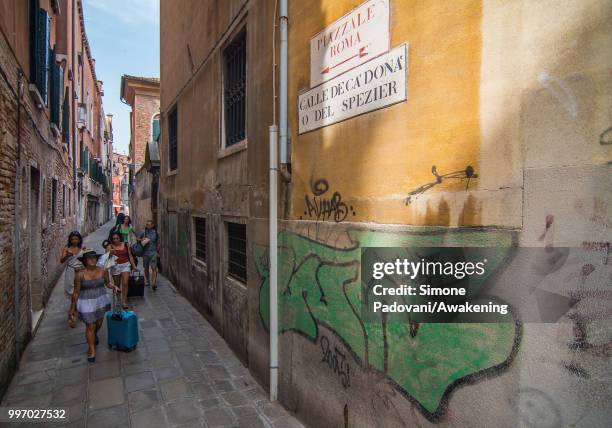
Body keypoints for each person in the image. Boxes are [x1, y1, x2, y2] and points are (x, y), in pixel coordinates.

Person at [68, 250, 119, 362]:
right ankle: (92, 349)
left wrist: (114, 287)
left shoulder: (103, 271)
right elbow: (76, 292)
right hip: (86, 302)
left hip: (100, 300)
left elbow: (107, 283)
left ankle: (94, 335)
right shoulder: (80, 274)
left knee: (99, 323)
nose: (92, 260)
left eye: (94, 258)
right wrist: (72, 308)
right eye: (89, 258)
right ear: (85, 261)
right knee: (90, 326)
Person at [108, 231, 137, 309]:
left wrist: (133, 266)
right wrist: (110, 253)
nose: (115, 240)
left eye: (117, 238)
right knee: (117, 285)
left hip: (125, 265)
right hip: (115, 266)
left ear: (120, 238)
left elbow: (130, 256)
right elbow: (106, 258)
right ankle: (118, 299)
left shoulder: (125, 244)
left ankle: (124, 301)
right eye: (114, 239)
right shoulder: (110, 246)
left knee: (125, 283)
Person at [137, 220, 160, 290]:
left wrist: (158, 252)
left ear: (153, 225)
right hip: (145, 253)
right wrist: (141, 239)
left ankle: (154, 283)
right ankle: (147, 280)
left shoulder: (156, 233)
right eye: (147, 225)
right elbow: (137, 238)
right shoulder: (143, 232)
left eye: (149, 225)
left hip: (153, 253)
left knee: (154, 268)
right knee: (146, 268)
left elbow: (158, 243)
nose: (148, 226)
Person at [61, 231, 84, 296]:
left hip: (80, 271)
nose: (74, 241)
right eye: (72, 239)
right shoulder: (67, 248)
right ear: (70, 240)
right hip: (70, 271)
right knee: (71, 290)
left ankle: (79, 304)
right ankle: (73, 304)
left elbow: (86, 261)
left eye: (76, 239)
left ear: (79, 239)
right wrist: (67, 255)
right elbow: (61, 261)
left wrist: (82, 267)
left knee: (81, 289)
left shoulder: (82, 248)